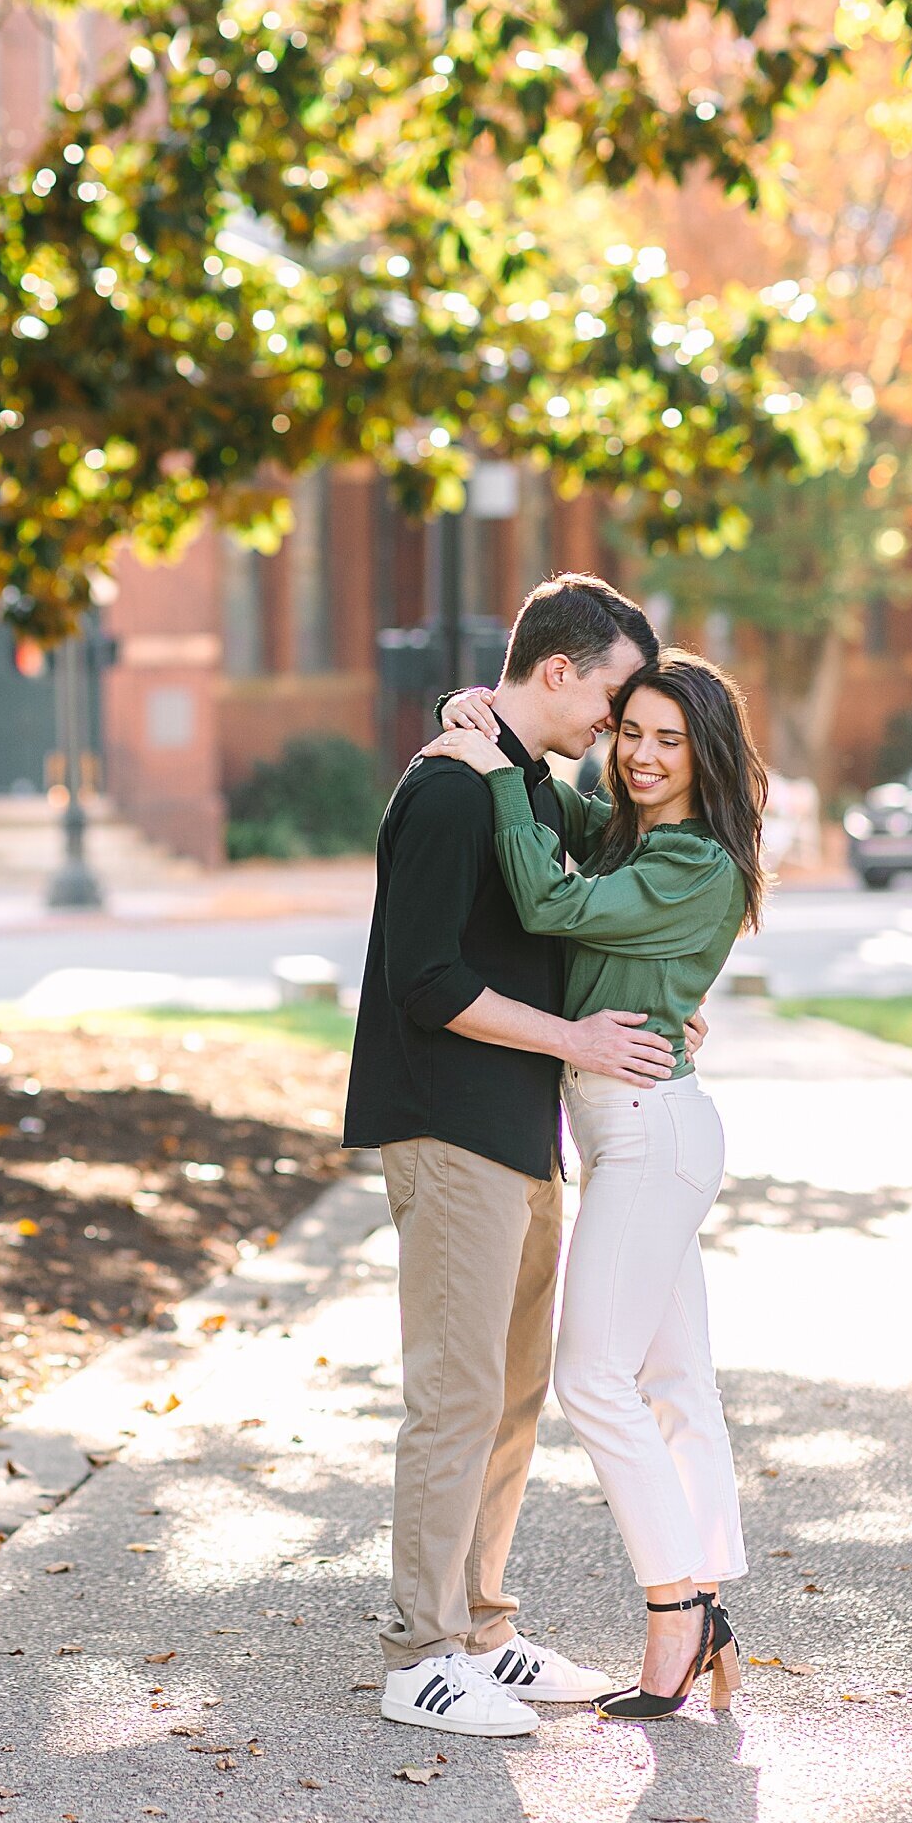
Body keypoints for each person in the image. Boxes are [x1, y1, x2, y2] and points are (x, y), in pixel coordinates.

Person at [345, 571, 712, 1739]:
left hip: (518, 1130)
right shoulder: (453, 790)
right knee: (454, 1396)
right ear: (558, 671)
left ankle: (482, 1630)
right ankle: (418, 1653)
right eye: (611, 702)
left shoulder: (533, 792)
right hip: (445, 1123)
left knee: (509, 1395)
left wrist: (658, 1003)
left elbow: (565, 926)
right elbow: (428, 980)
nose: (616, 730)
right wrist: (573, 1036)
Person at [422, 646, 766, 1720]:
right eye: (631, 732)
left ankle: (676, 1603)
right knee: (675, 1382)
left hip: (649, 1129)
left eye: (669, 738)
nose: (644, 754)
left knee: (593, 1380)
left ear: (706, 754)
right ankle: (706, 1590)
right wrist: (468, 715)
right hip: (631, 1125)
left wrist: (481, 775)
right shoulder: (626, 830)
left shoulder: (694, 862)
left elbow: (543, 902)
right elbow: (542, 777)